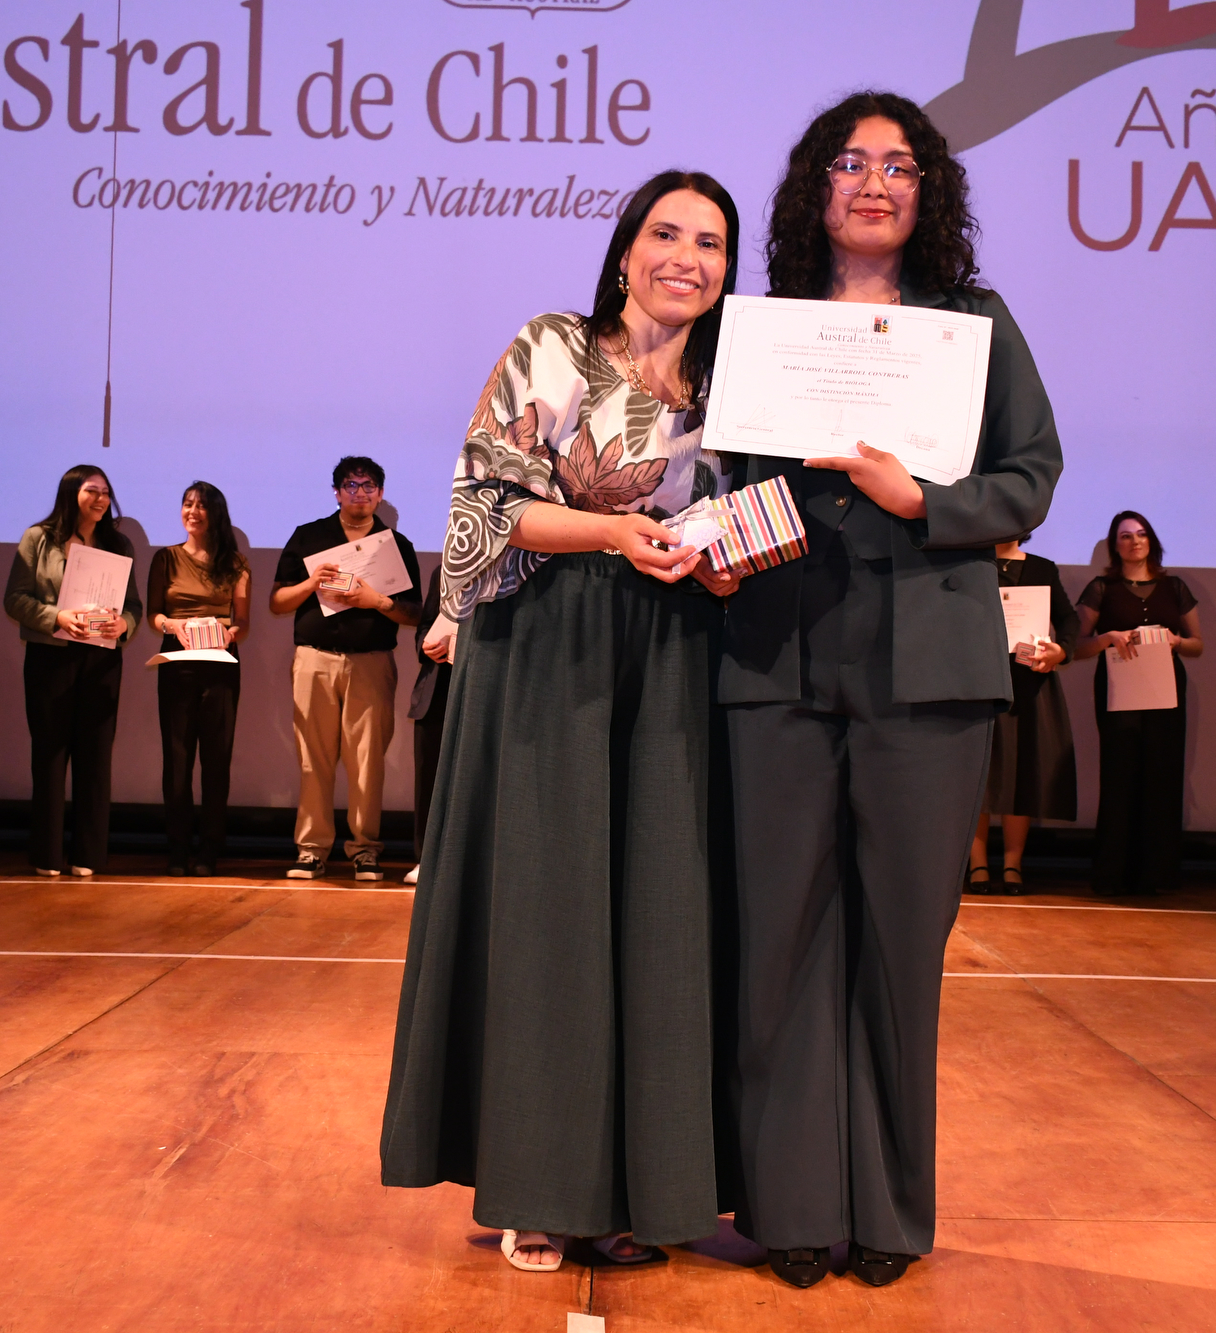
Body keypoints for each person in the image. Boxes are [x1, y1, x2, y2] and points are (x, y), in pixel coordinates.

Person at [719, 94, 1061, 1289]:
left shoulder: (973, 323)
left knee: (900, 949)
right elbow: (720, 479)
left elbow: (1031, 474)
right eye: (850, 162)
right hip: (775, 658)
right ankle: (789, 1206)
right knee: (778, 940)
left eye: (899, 166)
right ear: (814, 185)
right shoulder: (761, 328)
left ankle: (887, 1213)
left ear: (928, 192)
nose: (874, 183)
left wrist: (925, 501)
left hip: (927, 666)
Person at [382, 170, 741, 1273]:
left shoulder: (733, 386)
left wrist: (726, 563)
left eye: (710, 243)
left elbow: (741, 519)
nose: (685, 257)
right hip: (547, 646)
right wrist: (616, 534)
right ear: (626, 251)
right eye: (665, 233)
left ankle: (633, 1186)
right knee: (546, 913)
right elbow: (486, 506)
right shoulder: (554, 345)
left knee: (654, 920)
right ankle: (535, 1188)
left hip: (673, 655)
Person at [270, 458, 421, 881]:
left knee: (367, 761)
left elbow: (414, 614)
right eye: (351, 486)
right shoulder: (310, 536)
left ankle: (365, 849)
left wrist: (377, 602)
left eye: (368, 486)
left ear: (381, 494)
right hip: (314, 659)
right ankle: (311, 850)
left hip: (371, 661)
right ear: (337, 492)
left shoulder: (396, 545)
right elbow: (277, 602)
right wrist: (311, 583)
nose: (360, 493)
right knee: (312, 758)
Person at [3, 465, 141, 877]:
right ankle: (47, 854)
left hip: (101, 660)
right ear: (70, 494)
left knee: (95, 756)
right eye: (91, 491)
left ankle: (88, 854)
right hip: (51, 657)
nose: (101, 499)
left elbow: (133, 606)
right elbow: (14, 598)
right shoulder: (38, 538)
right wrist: (57, 617)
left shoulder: (118, 543)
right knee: (49, 754)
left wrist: (123, 626)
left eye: (105, 492)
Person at [1074, 512, 1204, 896]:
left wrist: (1176, 642)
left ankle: (1157, 875)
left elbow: (1197, 644)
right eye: (1126, 536)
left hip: (1166, 691)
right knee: (1120, 777)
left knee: (1162, 776)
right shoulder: (1101, 588)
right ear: (1115, 545)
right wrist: (1108, 638)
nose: (1135, 542)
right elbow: (1076, 647)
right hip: (1120, 691)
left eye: (1142, 534)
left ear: (1152, 541)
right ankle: (1113, 874)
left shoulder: (1174, 587)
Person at [147, 481, 251, 876]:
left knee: (216, 759)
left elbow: (242, 621)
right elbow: (154, 613)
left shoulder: (236, 563)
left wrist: (230, 634)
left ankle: (209, 848)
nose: (193, 512)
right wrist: (172, 625)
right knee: (177, 758)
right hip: (177, 661)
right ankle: (177, 848)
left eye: (201, 505)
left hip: (220, 662)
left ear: (216, 513)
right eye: (187, 504)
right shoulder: (166, 558)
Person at [968, 536, 1077, 893]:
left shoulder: (1042, 568)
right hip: (978, 681)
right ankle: (977, 863)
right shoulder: (970, 561)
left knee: (1021, 770)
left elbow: (1069, 620)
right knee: (978, 772)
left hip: (1029, 682)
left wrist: (1060, 652)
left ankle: (1013, 863)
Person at [404, 566, 453, 886]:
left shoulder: (511, 568)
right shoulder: (444, 569)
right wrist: (426, 644)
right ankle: (425, 860)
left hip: (482, 686)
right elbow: (425, 625)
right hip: (436, 689)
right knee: (429, 778)